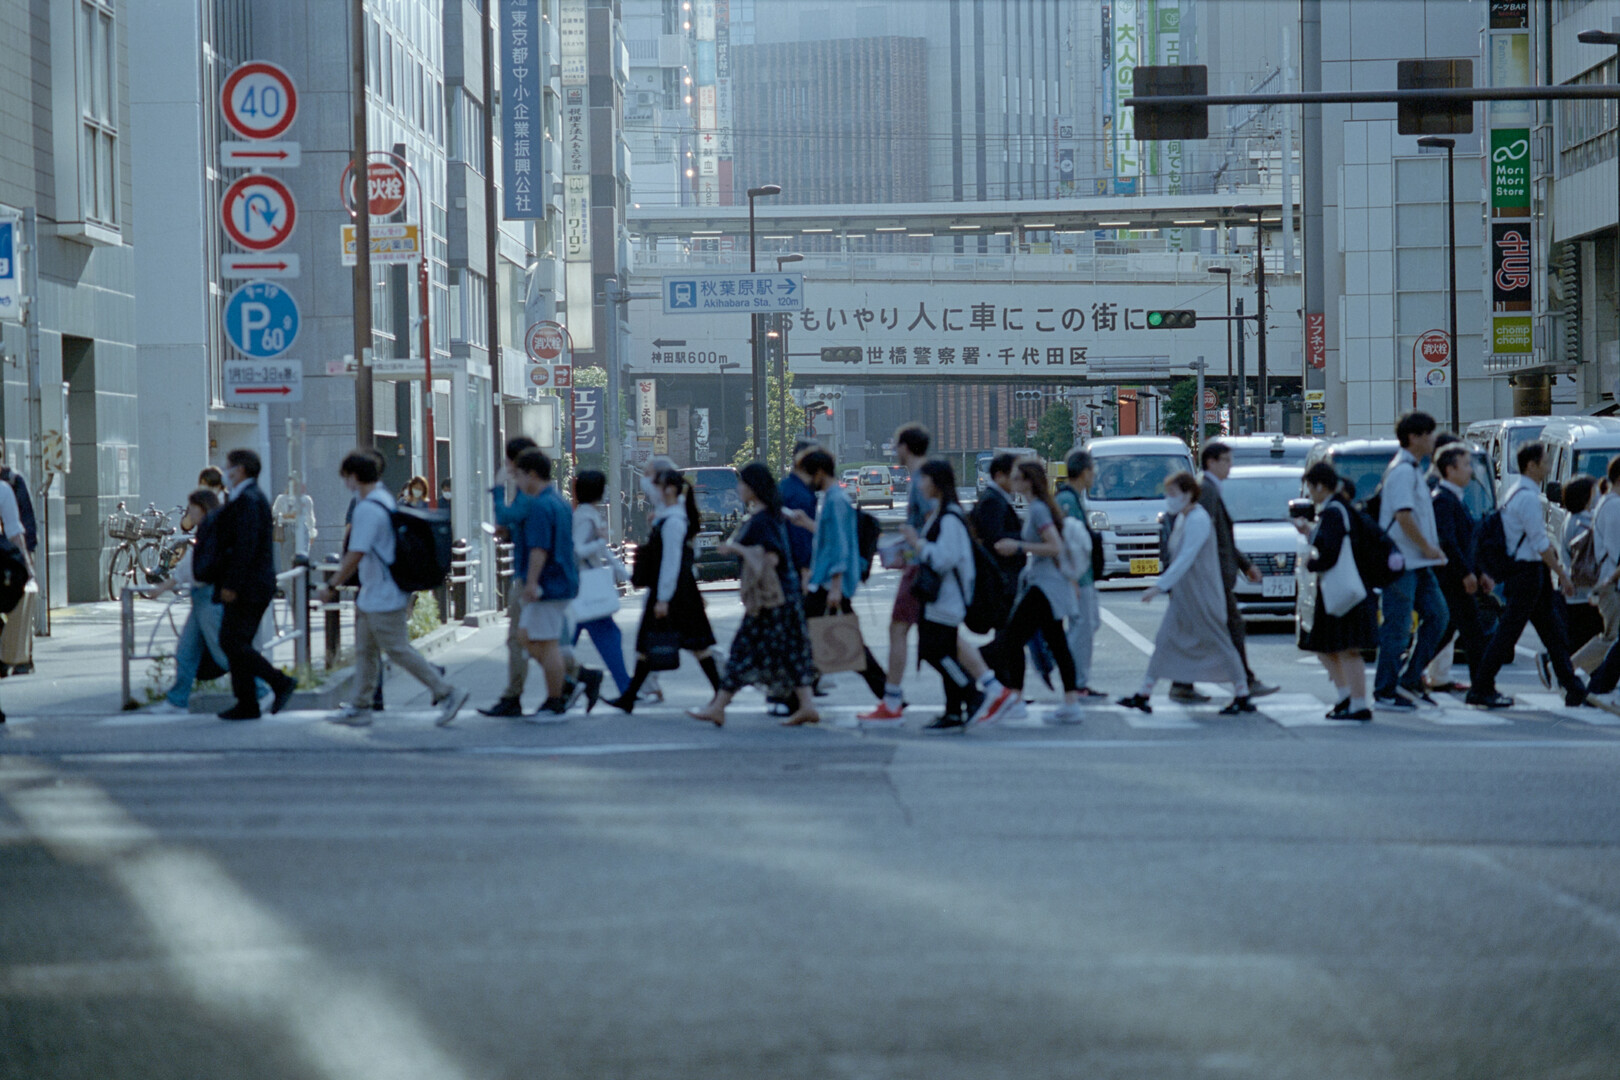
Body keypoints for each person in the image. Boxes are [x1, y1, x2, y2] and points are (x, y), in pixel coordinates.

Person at [316, 451, 468, 727]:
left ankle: (447, 692)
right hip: (376, 592)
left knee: (398, 649)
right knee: (366, 651)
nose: (345, 483)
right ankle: (360, 705)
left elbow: (356, 553)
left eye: (346, 477)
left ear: (354, 476)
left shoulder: (366, 509)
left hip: (383, 593)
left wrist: (331, 585)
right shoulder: (383, 499)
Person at [687, 463, 819, 727]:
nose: (738, 489)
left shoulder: (762, 520)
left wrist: (736, 549)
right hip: (784, 597)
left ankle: (719, 707)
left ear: (753, 488)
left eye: (742, 484)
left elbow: (770, 558)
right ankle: (806, 706)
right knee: (792, 653)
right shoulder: (771, 515)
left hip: (771, 600)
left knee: (743, 653)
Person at [1117, 471, 1253, 716]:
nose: (1169, 499)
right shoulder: (1183, 518)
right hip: (1185, 595)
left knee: (1221, 643)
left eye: (1173, 494)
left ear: (1189, 494)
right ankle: (1143, 693)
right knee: (1164, 641)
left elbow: (1186, 558)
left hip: (1202, 594)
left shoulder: (1198, 519)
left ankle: (1243, 693)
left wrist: (1160, 585)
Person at [1467, 442, 1586, 709]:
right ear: (1531, 465)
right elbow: (1540, 543)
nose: (1547, 468)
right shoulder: (1527, 497)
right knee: (1509, 633)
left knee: (1551, 632)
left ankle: (1573, 687)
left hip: (1528, 572)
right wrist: (1563, 576)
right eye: (1544, 462)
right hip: (1528, 572)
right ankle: (1481, 687)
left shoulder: (1515, 492)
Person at [899, 460, 1014, 731]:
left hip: (946, 600)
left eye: (924, 479)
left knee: (932, 651)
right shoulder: (944, 514)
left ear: (937, 483)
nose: (920, 484)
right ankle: (953, 711)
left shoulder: (949, 518)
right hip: (939, 599)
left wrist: (918, 543)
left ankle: (971, 692)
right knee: (945, 652)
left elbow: (943, 559)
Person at [979, 459, 1087, 724]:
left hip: (1044, 586)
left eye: (1017, 477)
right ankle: (1070, 702)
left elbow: (1055, 546)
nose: (1013, 482)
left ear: (1028, 481)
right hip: (1047, 584)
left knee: (1014, 638)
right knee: (1057, 643)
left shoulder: (1038, 509)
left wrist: (1018, 546)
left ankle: (1016, 699)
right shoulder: (1039, 507)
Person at [1169, 441, 1278, 703]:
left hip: (1214, 574)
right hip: (1212, 575)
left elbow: (1221, 537)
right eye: (1226, 461)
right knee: (1232, 627)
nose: (1230, 466)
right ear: (1211, 462)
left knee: (1206, 630)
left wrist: (1245, 565)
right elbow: (1203, 536)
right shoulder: (1206, 490)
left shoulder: (1209, 489)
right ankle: (1245, 683)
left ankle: (1182, 683)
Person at [606, 468, 722, 712]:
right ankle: (629, 698)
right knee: (658, 644)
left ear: (669, 489)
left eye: (658, 487)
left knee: (688, 645)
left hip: (673, 593)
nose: (653, 492)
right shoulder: (671, 517)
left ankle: (721, 693)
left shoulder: (674, 522)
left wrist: (663, 599)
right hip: (678, 592)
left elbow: (671, 563)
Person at [200, 448, 296, 721]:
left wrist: (232, 584)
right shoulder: (246, 497)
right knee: (233, 641)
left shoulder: (250, 500)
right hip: (248, 583)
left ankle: (279, 683)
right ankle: (247, 703)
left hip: (248, 586)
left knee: (233, 641)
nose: (226, 472)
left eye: (229, 467)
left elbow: (246, 547)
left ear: (240, 470)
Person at [791, 447, 890, 703]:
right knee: (814, 636)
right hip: (828, 583)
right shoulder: (836, 498)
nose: (808, 480)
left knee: (810, 635)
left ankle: (890, 696)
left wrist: (835, 585)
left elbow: (840, 546)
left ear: (821, 472)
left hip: (829, 585)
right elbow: (833, 538)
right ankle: (800, 695)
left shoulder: (835, 500)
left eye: (810, 473)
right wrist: (807, 523)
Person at [1373, 412, 1449, 711]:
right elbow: (1403, 516)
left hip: (1417, 562)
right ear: (1414, 437)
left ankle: (1409, 677)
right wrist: (1428, 547)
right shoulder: (1402, 471)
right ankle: (1386, 689)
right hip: (1402, 562)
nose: (1434, 439)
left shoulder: (1414, 469)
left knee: (1438, 616)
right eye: (1429, 434)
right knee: (1398, 626)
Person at [859, 424, 936, 722]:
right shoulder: (921, 477)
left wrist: (915, 548)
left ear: (906, 447)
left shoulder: (921, 481)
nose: (894, 450)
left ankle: (891, 699)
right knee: (940, 634)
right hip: (920, 562)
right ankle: (990, 688)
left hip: (921, 567)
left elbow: (931, 522)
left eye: (895, 445)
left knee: (900, 628)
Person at [510, 448, 587, 717]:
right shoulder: (559, 502)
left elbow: (539, 549)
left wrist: (531, 582)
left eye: (519, 475)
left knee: (546, 641)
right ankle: (564, 685)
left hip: (547, 584)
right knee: (528, 636)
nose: (517, 481)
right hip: (561, 580)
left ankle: (558, 695)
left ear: (531, 474)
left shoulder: (541, 505)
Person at [1296, 463, 1377, 721]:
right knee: (1329, 646)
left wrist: (1312, 562)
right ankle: (1348, 699)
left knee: (1344, 649)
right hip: (1349, 587)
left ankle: (1356, 702)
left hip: (1340, 589)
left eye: (1310, 487)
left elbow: (1330, 553)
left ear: (1320, 485)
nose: (1310, 494)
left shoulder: (1332, 512)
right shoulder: (1341, 509)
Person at [141, 490, 229, 713]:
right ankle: (177, 699)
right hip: (202, 596)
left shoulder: (212, 529)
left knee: (223, 651)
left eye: (191, 509)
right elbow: (189, 565)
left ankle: (260, 689)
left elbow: (190, 566)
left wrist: (162, 587)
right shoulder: (212, 527)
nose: (189, 514)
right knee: (187, 651)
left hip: (208, 596)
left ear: (202, 508)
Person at [478, 437, 540, 717]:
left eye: (507, 461)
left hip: (529, 576)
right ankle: (573, 679)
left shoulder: (528, 493)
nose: (506, 466)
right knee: (538, 639)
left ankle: (573, 678)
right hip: (532, 575)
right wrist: (511, 532)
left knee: (522, 639)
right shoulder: (535, 493)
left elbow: (506, 515)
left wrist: (497, 487)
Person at [1430, 445, 1492, 694]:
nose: (1470, 470)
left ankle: (1407, 677)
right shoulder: (1443, 500)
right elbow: (1447, 542)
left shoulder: (1456, 499)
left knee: (1444, 635)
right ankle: (1482, 691)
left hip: (1460, 578)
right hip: (1452, 580)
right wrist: (1466, 573)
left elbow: (1467, 544)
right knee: (1473, 636)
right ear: (1450, 469)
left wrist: (1479, 572)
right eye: (1465, 465)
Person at [571, 469, 631, 698]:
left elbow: (601, 548)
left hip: (582, 587)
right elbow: (578, 549)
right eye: (604, 487)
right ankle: (625, 687)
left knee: (566, 644)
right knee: (609, 637)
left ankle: (564, 688)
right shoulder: (586, 516)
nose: (606, 491)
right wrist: (600, 543)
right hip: (587, 586)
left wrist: (620, 570)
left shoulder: (586, 513)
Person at [772, 439, 822, 715]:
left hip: (783, 569)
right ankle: (796, 690)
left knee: (794, 634)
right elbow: (801, 539)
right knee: (796, 635)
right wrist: (805, 572)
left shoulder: (786, 488)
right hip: (795, 571)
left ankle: (803, 686)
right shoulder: (802, 495)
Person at [1055, 449, 1107, 700]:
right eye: (1093, 471)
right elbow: (1066, 543)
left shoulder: (1073, 498)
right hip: (1077, 577)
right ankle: (1076, 681)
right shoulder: (1067, 501)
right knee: (1082, 625)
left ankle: (1077, 679)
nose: (1094, 476)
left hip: (1083, 575)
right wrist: (1072, 578)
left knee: (1089, 623)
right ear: (1085, 472)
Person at [1541, 477, 1600, 685]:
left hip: (1575, 591)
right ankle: (1593, 682)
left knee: (1580, 640)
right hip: (1586, 591)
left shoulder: (1569, 520)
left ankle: (1555, 663)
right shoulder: (1583, 523)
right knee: (1597, 639)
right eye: (1593, 494)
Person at [0, 445, 37, 678]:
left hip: (10, 556)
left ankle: (21, 656)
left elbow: (23, 524)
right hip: (9, 554)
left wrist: (26, 559)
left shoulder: (11, 482)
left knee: (16, 608)